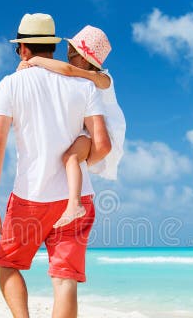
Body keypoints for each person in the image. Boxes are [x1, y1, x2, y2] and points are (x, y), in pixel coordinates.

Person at [0, 13, 112, 318]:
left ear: (23, 48)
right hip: (77, 197)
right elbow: (101, 146)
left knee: (8, 264)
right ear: (53, 47)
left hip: (31, 195)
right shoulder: (85, 85)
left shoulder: (11, 84)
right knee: (64, 279)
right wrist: (79, 150)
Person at [22, 25, 126, 228]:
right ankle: (74, 204)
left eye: (73, 53)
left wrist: (33, 60)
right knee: (70, 159)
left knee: (70, 158)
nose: (68, 55)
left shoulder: (104, 79)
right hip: (91, 129)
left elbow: (67, 70)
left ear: (87, 59)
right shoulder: (81, 78)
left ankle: (74, 204)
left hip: (107, 131)